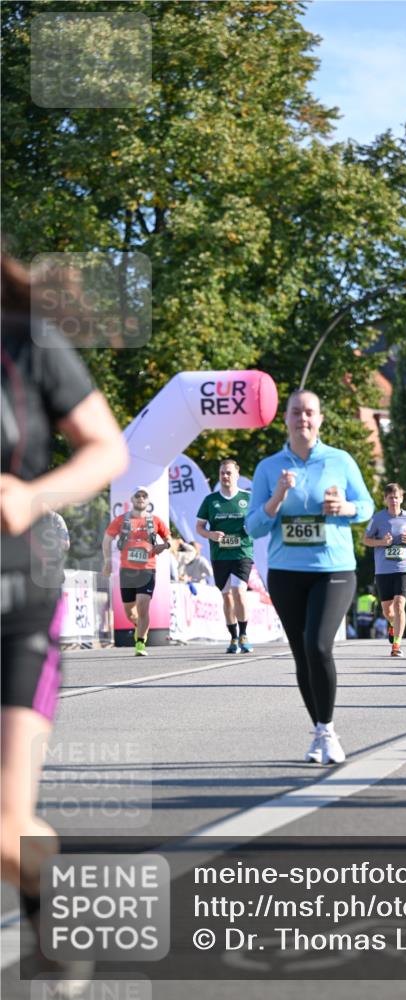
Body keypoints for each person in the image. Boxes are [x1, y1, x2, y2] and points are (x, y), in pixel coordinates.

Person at [1, 253, 128, 981]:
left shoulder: (27, 343)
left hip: (16, 608)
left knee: (3, 823)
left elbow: (106, 449)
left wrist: (31, 496)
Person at [246, 389, 373, 764]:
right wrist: (277, 498)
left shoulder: (340, 460)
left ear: (320, 420)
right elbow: (254, 526)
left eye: (310, 413)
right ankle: (320, 730)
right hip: (286, 573)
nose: (303, 418)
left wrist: (346, 507)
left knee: (319, 645)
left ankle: (329, 730)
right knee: (302, 655)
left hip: (333, 568)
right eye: (296, 412)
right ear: (285, 418)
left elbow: (366, 505)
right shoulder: (269, 468)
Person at [103, 487, 172, 655]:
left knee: (143, 606)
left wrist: (164, 545)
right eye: (137, 496)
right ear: (132, 500)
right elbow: (107, 539)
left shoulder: (155, 521)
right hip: (127, 570)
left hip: (147, 569)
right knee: (129, 612)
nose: (141, 498)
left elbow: (169, 539)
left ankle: (140, 643)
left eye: (144, 496)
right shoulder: (121, 520)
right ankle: (138, 626)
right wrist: (107, 561)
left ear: (148, 501)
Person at [196, 459, 254, 653]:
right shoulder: (211, 500)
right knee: (227, 596)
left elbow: (258, 521)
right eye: (222, 473)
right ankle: (233, 637)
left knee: (239, 592)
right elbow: (200, 528)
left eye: (229, 473)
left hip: (242, 552)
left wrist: (251, 527)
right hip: (220, 555)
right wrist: (210, 535)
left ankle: (244, 634)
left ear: (237, 475)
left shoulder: (248, 498)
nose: (225, 476)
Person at [364, 484, 406, 658]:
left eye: (397, 497)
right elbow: (366, 540)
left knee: (399, 605)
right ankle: (393, 624)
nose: (394, 500)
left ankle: (396, 645)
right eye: (390, 497)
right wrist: (382, 542)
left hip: (404, 569)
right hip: (383, 570)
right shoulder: (377, 518)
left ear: (402, 499)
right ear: (385, 500)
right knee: (388, 611)